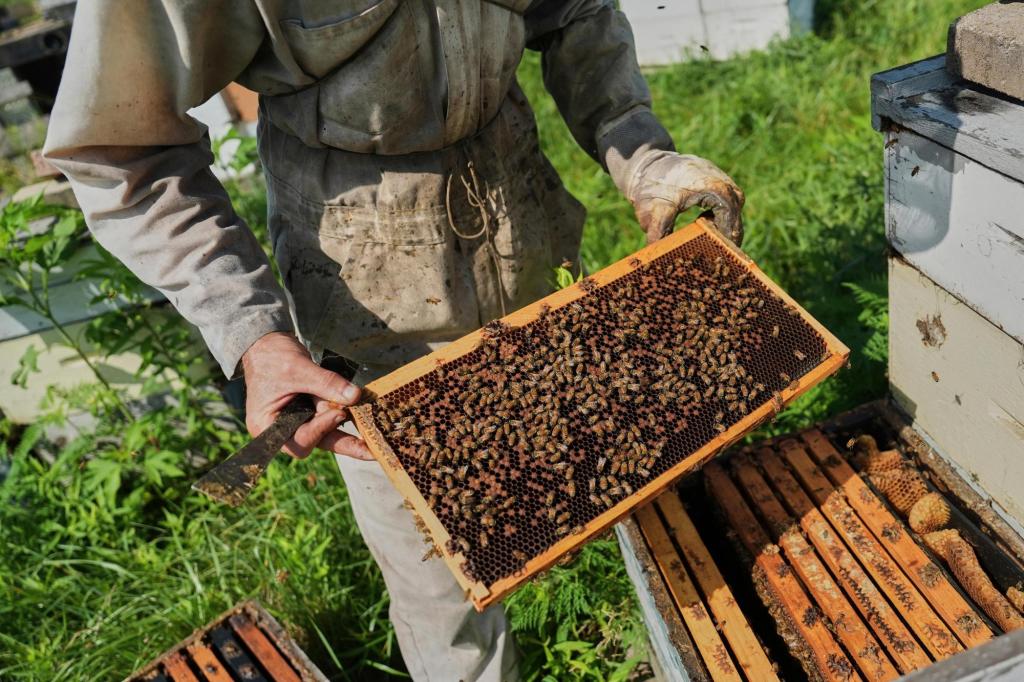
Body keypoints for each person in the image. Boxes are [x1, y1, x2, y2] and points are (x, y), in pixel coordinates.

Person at [44, 2, 744, 679]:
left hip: (525, 226)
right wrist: (253, 333)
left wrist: (645, 155)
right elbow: (119, 150)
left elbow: (574, 12)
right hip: (368, 302)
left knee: (612, 473)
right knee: (441, 586)